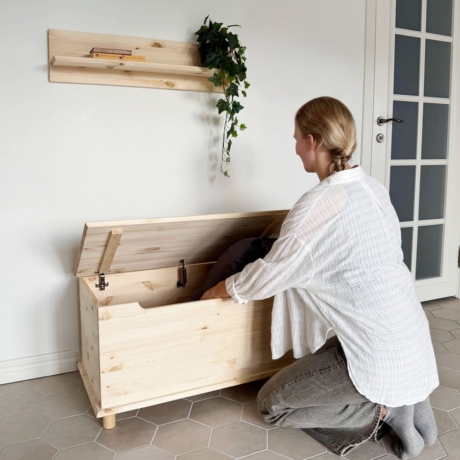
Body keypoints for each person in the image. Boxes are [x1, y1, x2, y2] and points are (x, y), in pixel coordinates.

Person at [201, 96, 439, 458]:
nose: (295, 148)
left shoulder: (318, 204)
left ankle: (387, 409)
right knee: (328, 357)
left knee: (271, 404)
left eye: (297, 138)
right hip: (412, 339)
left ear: (312, 141)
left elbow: (270, 274)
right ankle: (409, 395)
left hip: (376, 355)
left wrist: (220, 290)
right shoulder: (373, 189)